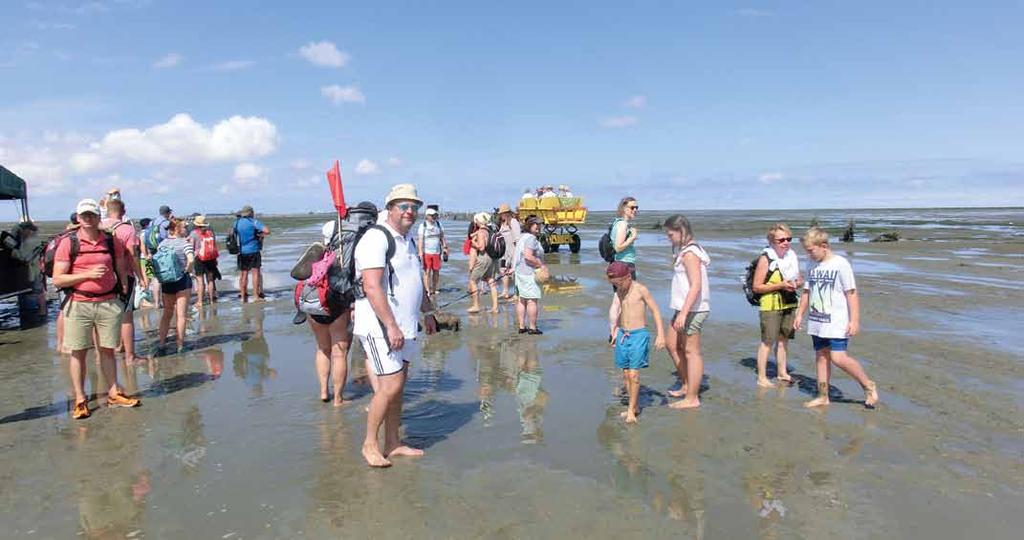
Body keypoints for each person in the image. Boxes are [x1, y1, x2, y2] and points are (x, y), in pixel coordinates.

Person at [354, 183, 436, 467]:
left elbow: (415, 282)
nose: (410, 212)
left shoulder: (408, 239)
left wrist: (428, 312)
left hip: (406, 326)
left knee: (398, 387)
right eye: (404, 206)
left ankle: (393, 442)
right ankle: (369, 445)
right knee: (388, 387)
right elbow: (372, 287)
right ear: (389, 208)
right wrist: (390, 326)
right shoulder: (377, 239)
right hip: (380, 328)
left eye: (414, 207)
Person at [51, 199, 137, 419]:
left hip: (108, 302)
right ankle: (80, 399)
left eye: (92, 215)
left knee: (108, 350)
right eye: (84, 216)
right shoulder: (68, 243)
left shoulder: (110, 240)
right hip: (79, 304)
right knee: (78, 353)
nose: (88, 219)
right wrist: (87, 275)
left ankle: (113, 393)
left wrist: (123, 289)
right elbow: (58, 280)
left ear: (99, 217)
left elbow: (119, 261)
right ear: (78, 218)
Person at [794, 228, 879, 408]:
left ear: (823, 246)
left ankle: (868, 385)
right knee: (821, 356)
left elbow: (852, 294)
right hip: (817, 320)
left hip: (836, 321)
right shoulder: (811, 263)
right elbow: (806, 291)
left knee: (838, 357)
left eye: (810, 250)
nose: (808, 254)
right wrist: (800, 314)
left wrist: (854, 320)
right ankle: (823, 396)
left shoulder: (841, 264)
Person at [606, 261, 666, 424]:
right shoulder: (620, 291)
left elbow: (655, 310)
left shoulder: (641, 290)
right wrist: (614, 331)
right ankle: (634, 406)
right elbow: (621, 311)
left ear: (628, 277)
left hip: (638, 335)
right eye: (614, 284)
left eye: (618, 283)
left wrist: (660, 334)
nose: (617, 286)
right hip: (623, 335)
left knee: (634, 374)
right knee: (625, 373)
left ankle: (632, 410)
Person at [663, 214, 710, 410]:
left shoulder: (691, 253)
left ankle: (692, 397)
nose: (668, 238)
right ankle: (686, 384)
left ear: (681, 232)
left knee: (691, 351)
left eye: (670, 234)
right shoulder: (685, 251)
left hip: (693, 309)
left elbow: (696, 286)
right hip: (682, 307)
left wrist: (683, 313)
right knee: (672, 344)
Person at [752, 223, 803, 387]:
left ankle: (782, 373)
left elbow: (799, 278)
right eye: (781, 240)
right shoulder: (765, 258)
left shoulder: (791, 257)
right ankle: (762, 377)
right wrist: (780, 285)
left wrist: (797, 283)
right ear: (772, 241)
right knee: (767, 341)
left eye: (789, 239)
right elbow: (757, 287)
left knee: (784, 340)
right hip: (770, 305)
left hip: (789, 303)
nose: (786, 243)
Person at [103, 200, 148, 363]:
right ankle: (130, 356)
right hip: (124, 276)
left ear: (107, 210)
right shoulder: (126, 229)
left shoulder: (99, 227)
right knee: (126, 316)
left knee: (104, 315)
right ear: (123, 211)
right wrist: (141, 277)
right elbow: (133, 255)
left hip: (102, 277)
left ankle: (111, 350)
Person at [156, 219, 195, 354]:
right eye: (184, 227)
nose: (186, 229)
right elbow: (191, 259)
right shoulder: (184, 243)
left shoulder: (162, 244)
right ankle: (180, 345)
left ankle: (161, 344)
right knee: (181, 315)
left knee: (166, 314)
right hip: (182, 281)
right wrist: (188, 271)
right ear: (178, 229)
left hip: (167, 282)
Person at [512, 216, 547, 334]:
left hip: (519, 272)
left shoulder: (522, 237)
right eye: (535, 224)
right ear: (529, 225)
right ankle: (532, 327)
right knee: (532, 300)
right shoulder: (531, 239)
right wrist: (541, 265)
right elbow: (528, 256)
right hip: (528, 273)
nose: (538, 226)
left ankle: (522, 327)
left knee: (522, 300)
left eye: (539, 224)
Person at [55, 213, 81, 354]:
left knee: (63, 309)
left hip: (61, 276)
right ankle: (63, 345)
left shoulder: (63, 234)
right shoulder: (73, 236)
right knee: (65, 310)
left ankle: (60, 343)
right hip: (68, 277)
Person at [234, 205, 270, 303]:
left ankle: (242, 296)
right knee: (255, 274)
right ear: (251, 213)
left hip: (241, 251)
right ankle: (255, 296)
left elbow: (232, 234)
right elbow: (267, 231)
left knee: (244, 274)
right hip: (253, 250)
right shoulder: (253, 222)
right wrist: (260, 235)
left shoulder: (237, 222)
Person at [467, 212, 499, 314]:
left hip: (483, 258)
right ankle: (495, 307)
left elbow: (481, 247)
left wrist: (473, 243)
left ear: (478, 222)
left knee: (473, 280)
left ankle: (476, 305)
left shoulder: (481, 232)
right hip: (492, 258)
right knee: (491, 281)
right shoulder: (490, 230)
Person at [188, 215, 221, 308]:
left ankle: (200, 301)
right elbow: (214, 246)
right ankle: (211, 300)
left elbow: (191, 247)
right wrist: (215, 259)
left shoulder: (193, 233)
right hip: (211, 258)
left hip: (199, 258)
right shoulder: (210, 233)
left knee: (200, 280)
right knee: (210, 279)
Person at [417, 207, 448, 297]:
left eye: (435, 215)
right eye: (432, 216)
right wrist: (420, 251)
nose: (434, 217)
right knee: (427, 271)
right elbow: (420, 240)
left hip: (437, 253)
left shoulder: (438, 225)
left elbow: (442, 237)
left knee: (436, 271)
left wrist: (445, 247)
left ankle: (434, 289)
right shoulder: (423, 226)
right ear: (427, 216)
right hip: (427, 252)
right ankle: (427, 290)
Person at [497, 204, 521, 300]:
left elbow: (517, 239)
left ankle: (516, 294)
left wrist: (515, 255)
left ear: (507, 213)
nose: (501, 215)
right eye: (501, 213)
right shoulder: (503, 223)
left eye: (502, 213)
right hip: (504, 253)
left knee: (514, 274)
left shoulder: (514, 222)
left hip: (513, 252)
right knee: (503, 271)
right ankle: (505, 291)